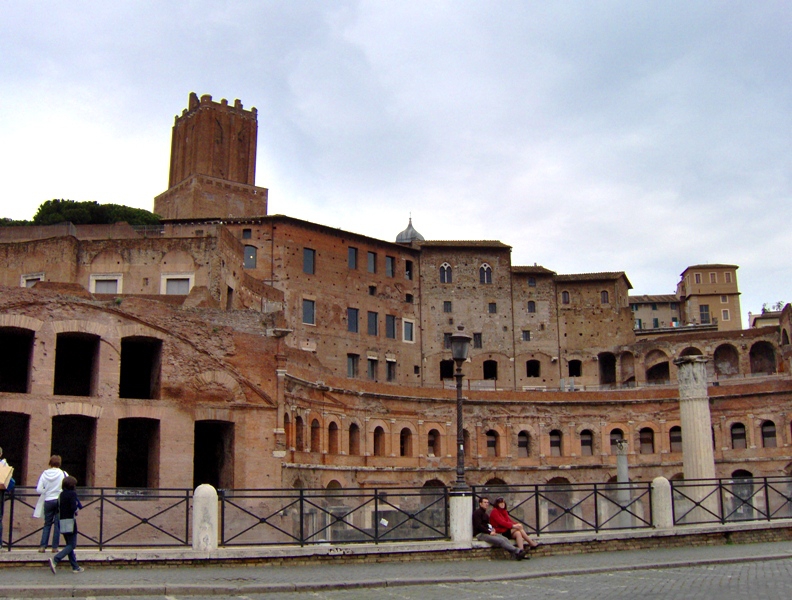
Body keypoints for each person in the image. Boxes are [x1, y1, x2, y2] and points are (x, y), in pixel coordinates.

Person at [48, 476, 83, 573]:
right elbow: (73, 508)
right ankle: (56, 559)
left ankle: (75, 567)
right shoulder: (72, 494)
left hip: (61, 520)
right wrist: (77, 509)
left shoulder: (61, 494)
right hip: (70, 521)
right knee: (72, 545)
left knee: (69, 544)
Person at [34, 455, 67, 552]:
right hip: (59, 500)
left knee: (47, 524)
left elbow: (39, 489)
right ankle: (54, 547)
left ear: (50, 462)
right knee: (57, 524)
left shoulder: (44, 474)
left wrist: (47, 492)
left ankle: (42, 546)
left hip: (48, 500)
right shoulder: (63, 474)